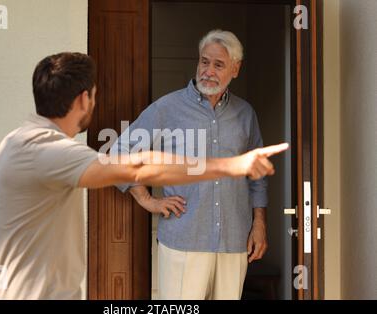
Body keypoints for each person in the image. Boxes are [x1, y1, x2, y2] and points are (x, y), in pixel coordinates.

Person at [0, 52, 287, 300]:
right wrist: (231, 166)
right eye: (94, 95)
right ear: (83, 100)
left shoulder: (25, 143)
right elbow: (137, 165)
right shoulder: (46, 150)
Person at [113, 30, 270, 300]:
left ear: (235, 68)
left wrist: (259, 224)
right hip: (184, 238)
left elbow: (257, 174)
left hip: (234, 240)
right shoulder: (167, 108)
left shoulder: (245, 114)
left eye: (218, 64)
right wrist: (148, 200)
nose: (208, 70)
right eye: (204, 61)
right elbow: (119, 152)